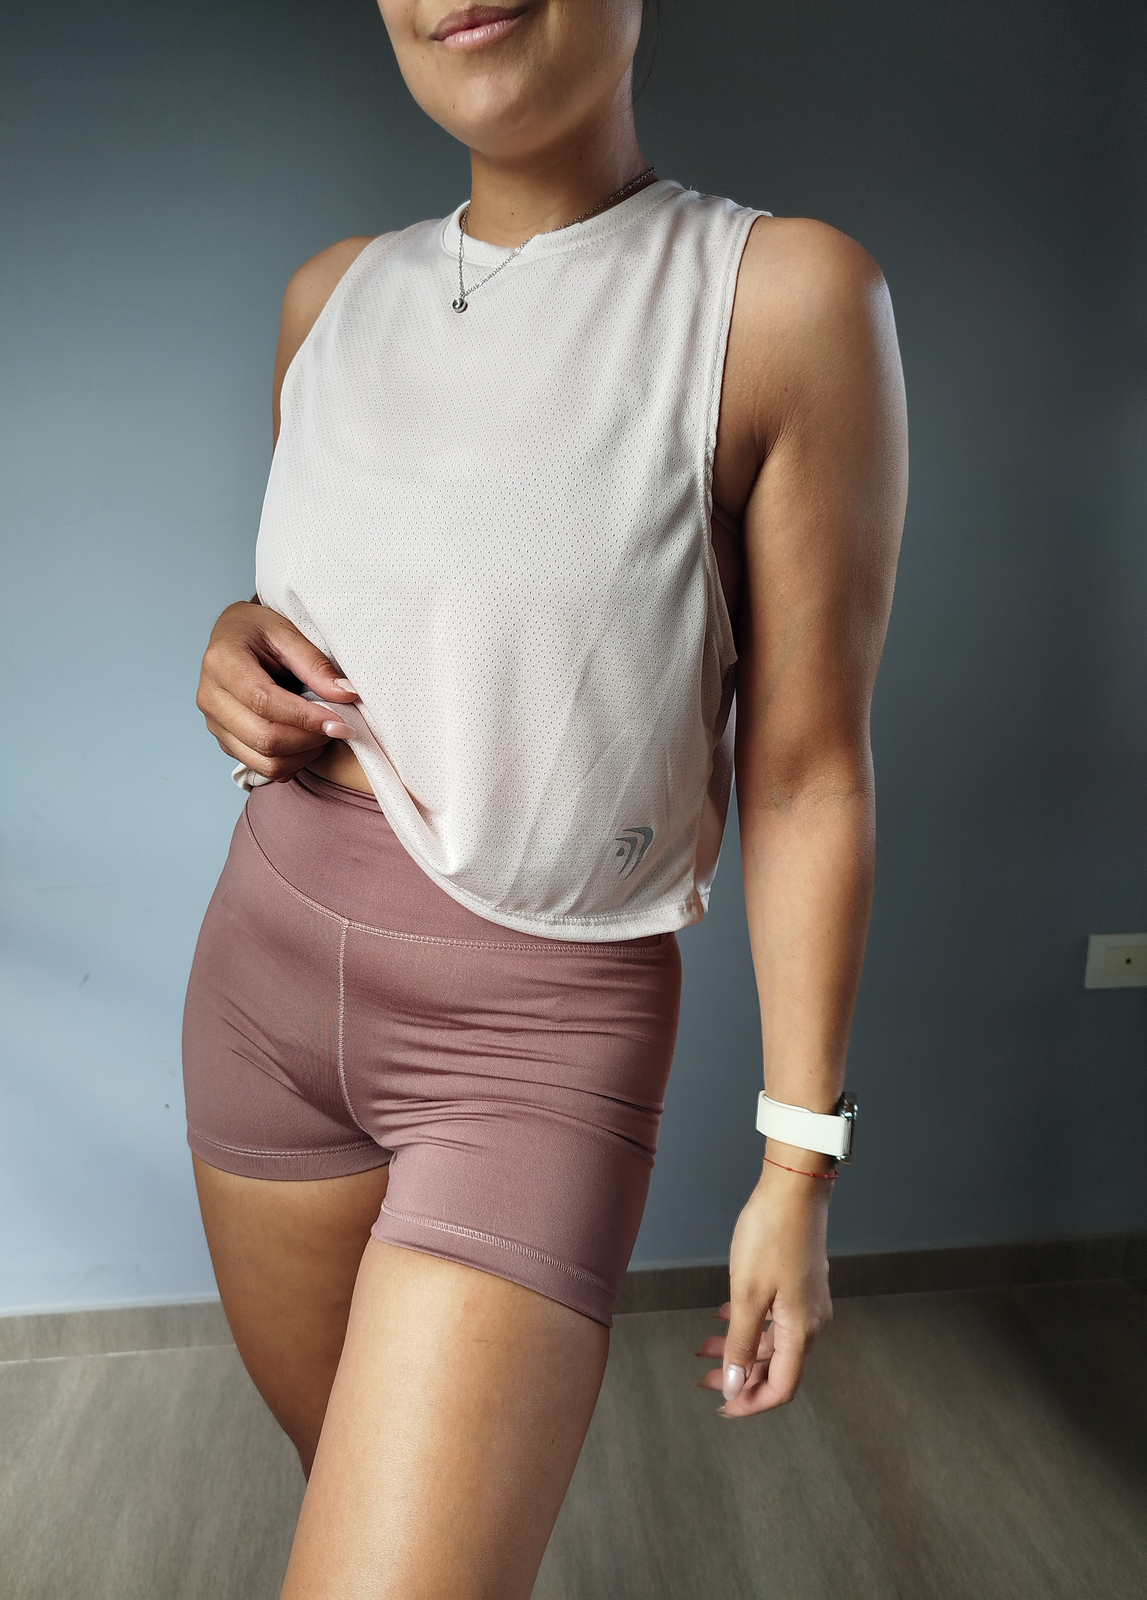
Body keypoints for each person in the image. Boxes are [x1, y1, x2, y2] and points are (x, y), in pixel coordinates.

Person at [185, 2, 907, 1595]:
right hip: (257, 997)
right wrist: (235, 646)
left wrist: (797, 1169)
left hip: (526, 1056)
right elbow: (383, 626)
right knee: (344, 1500)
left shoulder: (783, 298)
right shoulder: (329, 297)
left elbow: (805, 774)